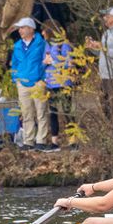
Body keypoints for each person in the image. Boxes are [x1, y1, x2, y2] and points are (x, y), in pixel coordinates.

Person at [85, 6, 113, 124]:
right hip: (105, 76)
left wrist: (103, 48)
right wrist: (93, 48)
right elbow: (104, 53)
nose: (104, 18)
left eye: (107, 16)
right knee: (106, 105)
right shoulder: (107, 33)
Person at [10, 16, 49, 149]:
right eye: (19, 28)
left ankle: (41, 140)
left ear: (31, 29)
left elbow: (47, 59)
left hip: (38, 82)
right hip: (22, 83)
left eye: (22, 28)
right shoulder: (17, 46)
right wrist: (16, 79)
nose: (20, 30)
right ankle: (28, 141)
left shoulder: (41, 43)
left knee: (41, 112)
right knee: (27, 113)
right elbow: (14, 64)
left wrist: (42, 77)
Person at [42, 20, 76, 151]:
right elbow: (43, 62)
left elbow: (69, 63)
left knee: (68, 111)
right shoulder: (46, 45)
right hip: (50, 84)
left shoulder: (64, 45)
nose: (42, 32)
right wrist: (45, 62)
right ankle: (54, 142)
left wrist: (54, 61)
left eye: (44, 30)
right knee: (53, 112)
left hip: (63, 83)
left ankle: (73, 141)